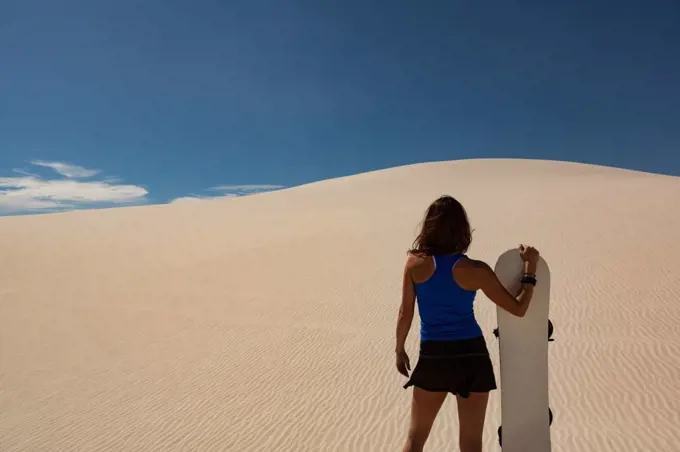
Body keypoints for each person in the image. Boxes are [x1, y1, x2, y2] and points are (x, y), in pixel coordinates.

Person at [395, 195, 540, 452]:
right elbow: (518, 309)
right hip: (471, 356)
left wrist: (400, 349)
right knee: (471, 444)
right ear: (462, 229)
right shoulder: (476, 270)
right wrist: (530, 269)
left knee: (415, 438)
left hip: (434, 356)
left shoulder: (414, 265)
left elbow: (404, 313)